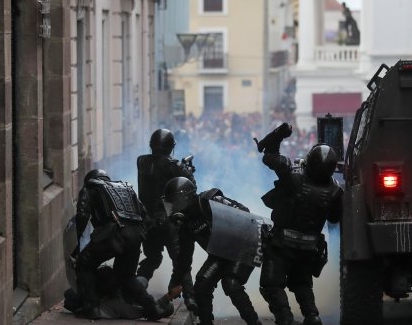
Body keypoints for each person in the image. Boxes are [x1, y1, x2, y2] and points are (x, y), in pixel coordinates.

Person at [256, 123, 343, 325]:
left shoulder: (293, 176)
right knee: (302, 284)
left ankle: (285, 319)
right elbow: (333, 219)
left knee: (271, 285)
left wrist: (278, 134)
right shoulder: (336, 192)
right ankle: (312, 316)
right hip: (309, 247)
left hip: (281, 244)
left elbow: (268, 155)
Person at [164, 177, 261, 325]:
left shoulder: (210, 201)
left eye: (174, 203)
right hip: (222, 252)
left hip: (244, 245)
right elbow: (184, 258)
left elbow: (245, 214)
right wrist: (174, 282)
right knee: (202, 284)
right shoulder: (185, 224)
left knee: (231, 284)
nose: (173, 208)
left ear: (185, 198)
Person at [73, 169, 168, 320]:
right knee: (127, 276)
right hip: (136, 235)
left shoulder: (91, 187)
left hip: (113, 232)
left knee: (84, 264)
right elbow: (145, 217)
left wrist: (78, 241)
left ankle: (92, 306)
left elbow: (82, 214)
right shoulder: (126, 187)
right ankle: (153, 308)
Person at [136, 129, 198, 312]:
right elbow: (190, 186)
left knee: (152, 258)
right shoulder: (175, 165)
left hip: (147, 220)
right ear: (171, 147)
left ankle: (136, 290)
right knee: (180, 262)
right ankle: (190, 298)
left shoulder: (141, 161)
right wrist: (188, 170)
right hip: (169, 220)